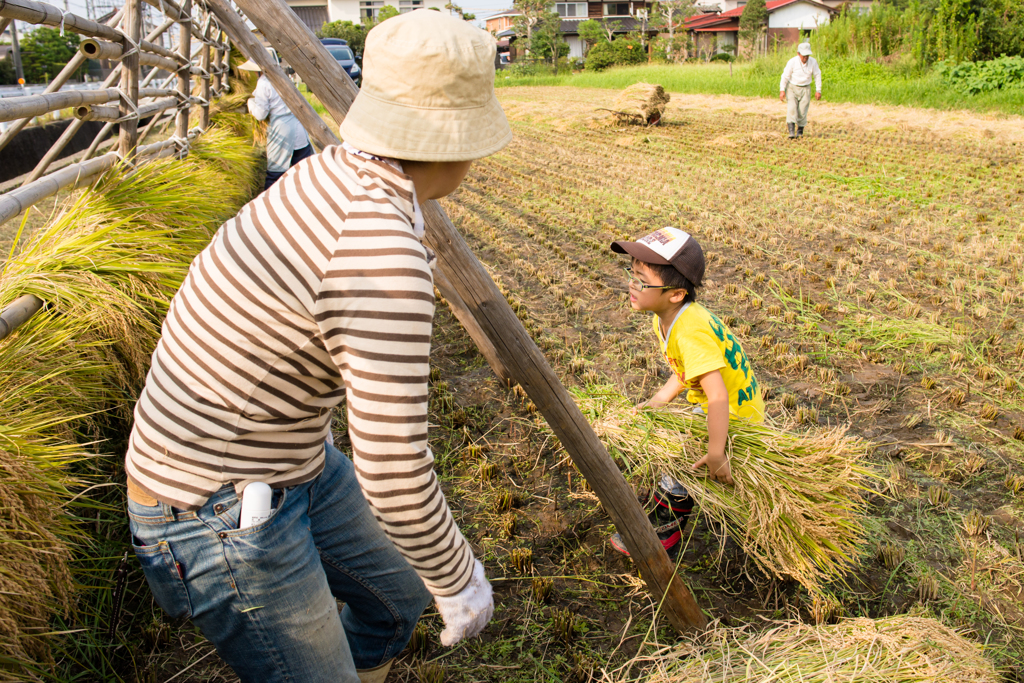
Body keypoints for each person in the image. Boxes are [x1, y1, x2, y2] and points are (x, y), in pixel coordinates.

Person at [124, 11, 512, 683]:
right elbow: (393, 470)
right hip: (213, 501)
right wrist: (461, 577)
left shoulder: (336, 169)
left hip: (283, 459)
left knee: (395, 600)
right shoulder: (380, 252)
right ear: (458, 140)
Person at [606, 228, 764, 558]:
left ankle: (664, 533)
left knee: (678, 458)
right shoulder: (666, 317)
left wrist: (716, 451)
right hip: (720, 405)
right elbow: (684, 374)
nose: (631, 285)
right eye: (631, 274)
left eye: (641, 279)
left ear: (675, 294)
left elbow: (718, 396)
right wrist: (657, 401)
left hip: (732, 413)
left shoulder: (689, 330)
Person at [238, 58, 314, 190]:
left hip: (282, 129)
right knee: (303, 170)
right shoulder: (282, 78)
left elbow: (261, 114)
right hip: (297, 126)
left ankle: (270, 204)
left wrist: (250, 103)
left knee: (276, 174)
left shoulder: (263, 83)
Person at [779, 42, 822, 139]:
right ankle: (791, 132)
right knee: (792, 108)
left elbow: (817, 75)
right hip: (792, 87)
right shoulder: (792, 62)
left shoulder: (813, 62)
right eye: (803, 55)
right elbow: (785, 76)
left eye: (807, 55)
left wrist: (818, 90)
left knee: (802, 111)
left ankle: (800, 132)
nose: (805, 57)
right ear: (798, 54)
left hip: (805, 88)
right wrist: (782, 90)